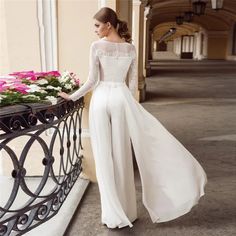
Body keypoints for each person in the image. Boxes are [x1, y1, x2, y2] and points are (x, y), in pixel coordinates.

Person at [58, 7, 207, 229]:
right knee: (121, 155)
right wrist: (132, 108)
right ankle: (127, 210)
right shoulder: (130, 49)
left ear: (109, 24)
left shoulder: (97, 47)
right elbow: (130, 84)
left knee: (104, 157)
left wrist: (71, 97)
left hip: (100, 101)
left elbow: (92, 81)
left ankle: (112, 214)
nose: (95, 30)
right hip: (121, 99)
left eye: (97, 26)